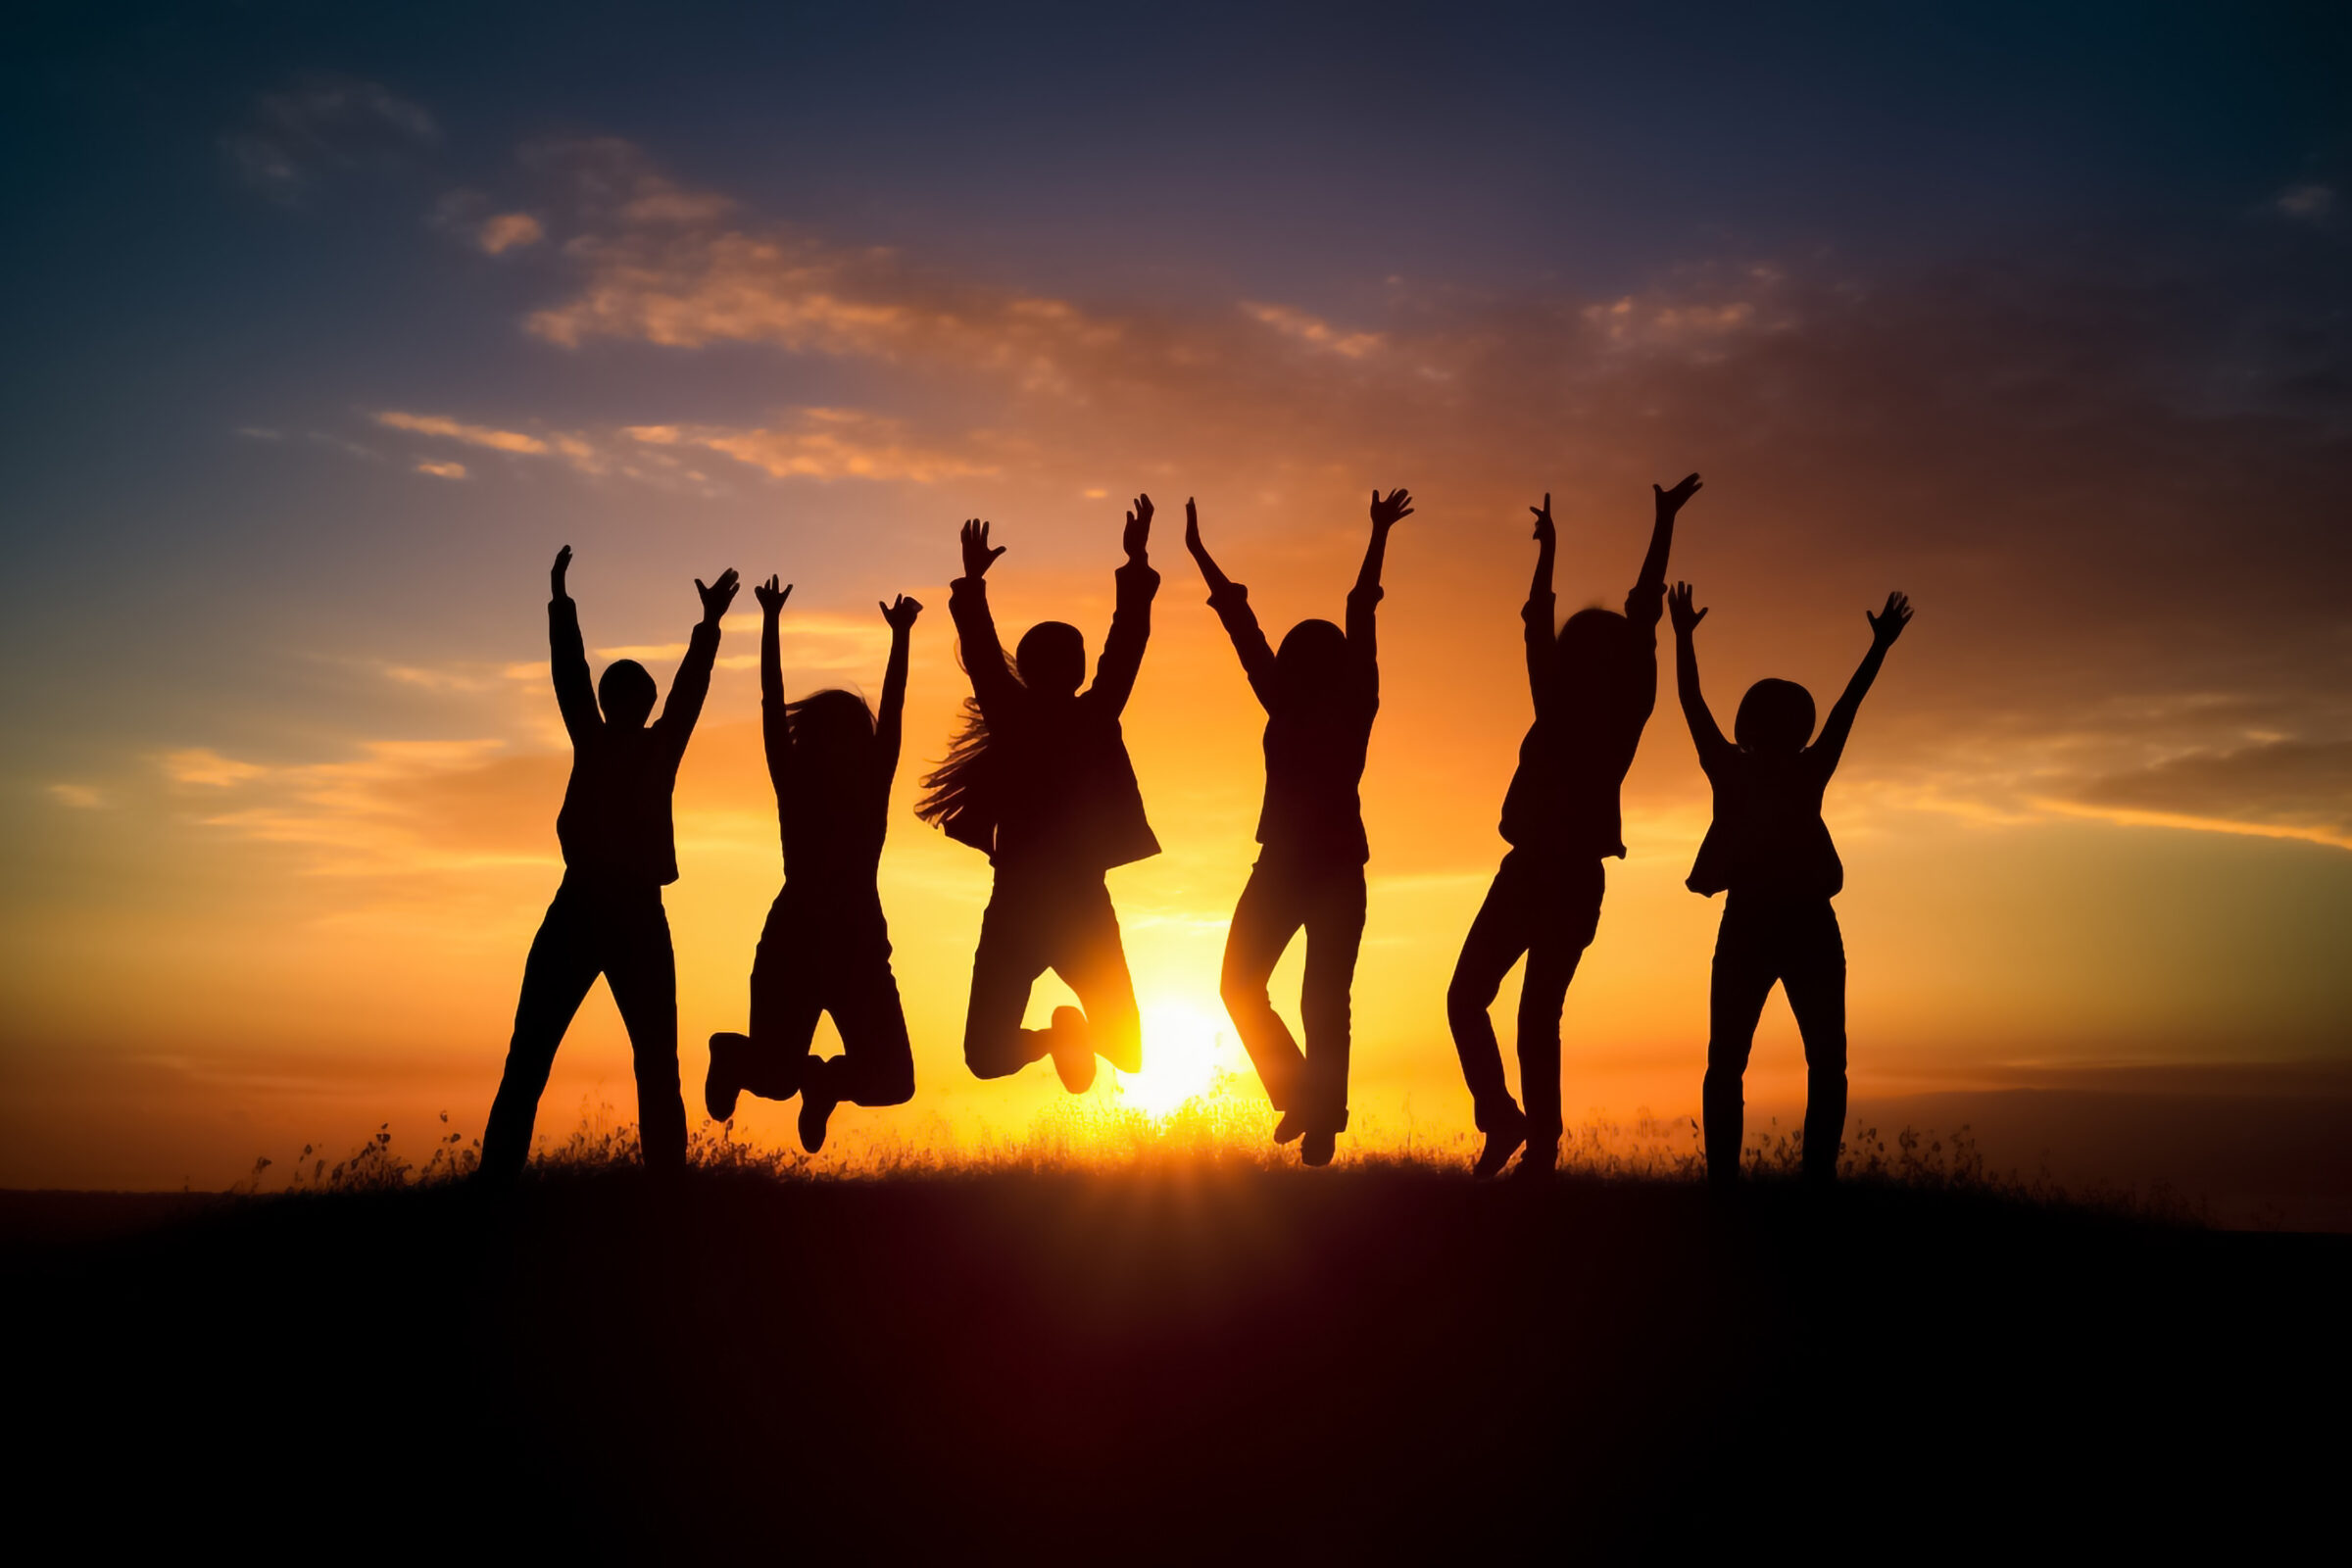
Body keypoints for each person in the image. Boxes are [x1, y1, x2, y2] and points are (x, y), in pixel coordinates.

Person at [1447, 476, 1703, 1178]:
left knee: (1497, 1007)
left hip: (1546, 874)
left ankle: (1531, 1142)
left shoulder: (1596, 714)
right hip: (1546, 874)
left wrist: (1655, 526)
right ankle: (1521, 1133)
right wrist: (1563, 549)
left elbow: (1631, 612)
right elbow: (1592, 618)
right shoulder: (1594, 714)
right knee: (1510, 1011)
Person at [481, 547, 738, 1180]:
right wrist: (561, 600)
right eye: (626, 696)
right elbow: (573, 674)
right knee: (536, 1054)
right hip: (586, 905)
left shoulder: (649, 747)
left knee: (649, 1061)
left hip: (627, 912)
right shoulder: (601, 740)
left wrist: (708, 627)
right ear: (620, 702)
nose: (634, 705)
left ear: (641, 705)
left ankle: (666, 1189)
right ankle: (495, 1184)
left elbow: (682, 694)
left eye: (636, 697)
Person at [1187, 489, 1411, 1166]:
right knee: (1242, 986)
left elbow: (1358, 609)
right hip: (1287, 864)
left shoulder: (1352, 704)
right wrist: (1201, 556)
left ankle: (1320, 1117)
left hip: (1332, 865)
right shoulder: (1286, 699)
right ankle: (1303, 1097)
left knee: (1321, 998)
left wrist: (1378, 537)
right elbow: (1241, 625)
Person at [1670, 580, 1913, 1188]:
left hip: (1755, 923)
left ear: (1748, 724)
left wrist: (1681, 640)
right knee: (1823, 1063)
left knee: (1730, 1062)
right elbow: (1845, 710)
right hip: (1801, 924)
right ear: (1797, 728)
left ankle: (1728, 1184)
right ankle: (1813, 1182)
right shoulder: (1805, 770)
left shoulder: (1733, 769)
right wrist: (1878, 647)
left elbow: (1692, 704)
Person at [916, 502, 1160, 1091]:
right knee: (1125, 1053)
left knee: (986, 1055)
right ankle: (1066, 1037)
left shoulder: (1021, 715)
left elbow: (981, 652)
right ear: (1071, 669)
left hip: (1027, 904)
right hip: (1068, 903)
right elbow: (1126, 646)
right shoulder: (1090, 715)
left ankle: (1061, 1038)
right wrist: (1134, 565)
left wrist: (973, 584)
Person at [705, 579, 922, 1152]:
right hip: (794, 946)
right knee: (774, 1081)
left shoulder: (872, 784)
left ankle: (825, 1083)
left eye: (855, 736)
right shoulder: (794, 781)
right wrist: (769, 621)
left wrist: (901, 638)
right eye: (836, 736)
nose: (847, 746)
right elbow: (771, 709)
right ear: (818, 741)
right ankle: (733, 1055)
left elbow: (894, 710)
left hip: (858, 948)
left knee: (895, 1082)